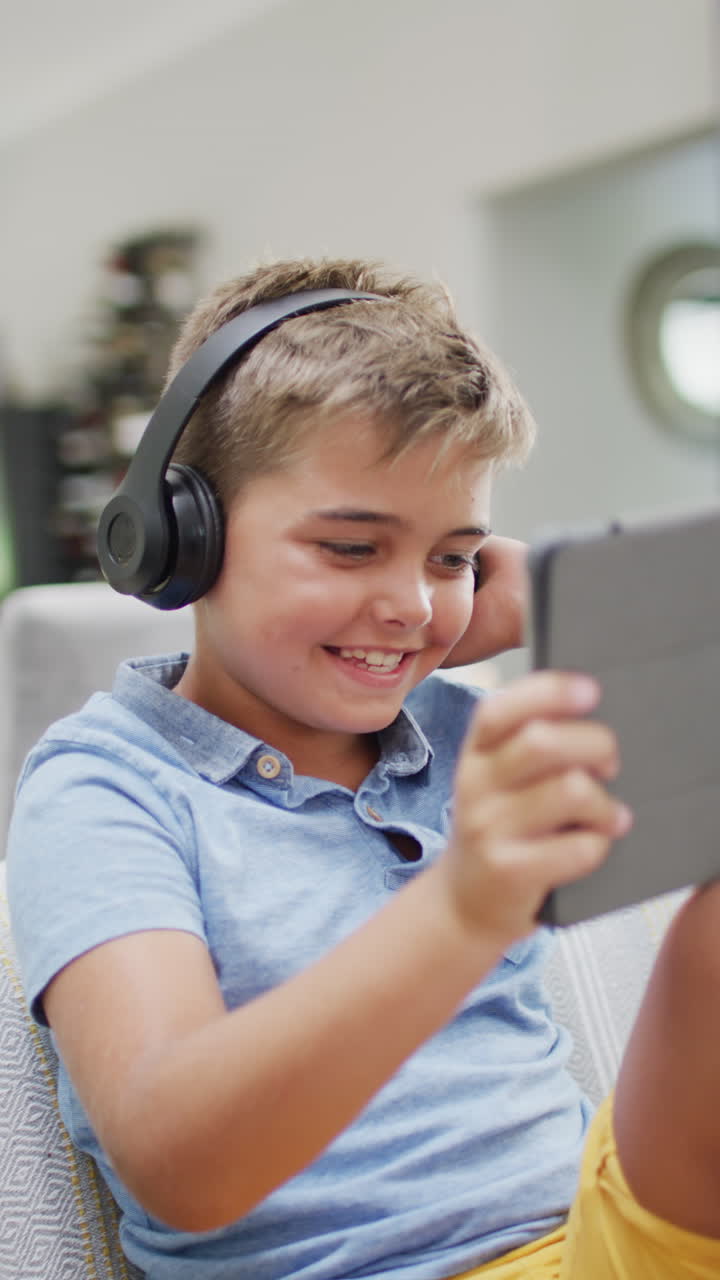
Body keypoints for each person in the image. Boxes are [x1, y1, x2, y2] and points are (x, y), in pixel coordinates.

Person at [6, 257, 720, 1280]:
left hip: (588, 1239)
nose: (415, 606)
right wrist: (466, 907)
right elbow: (178, 1159)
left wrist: (540, 604)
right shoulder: (106, 786)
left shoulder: (466, 733)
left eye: (451, 556)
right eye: (350, 548)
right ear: (183, 540)